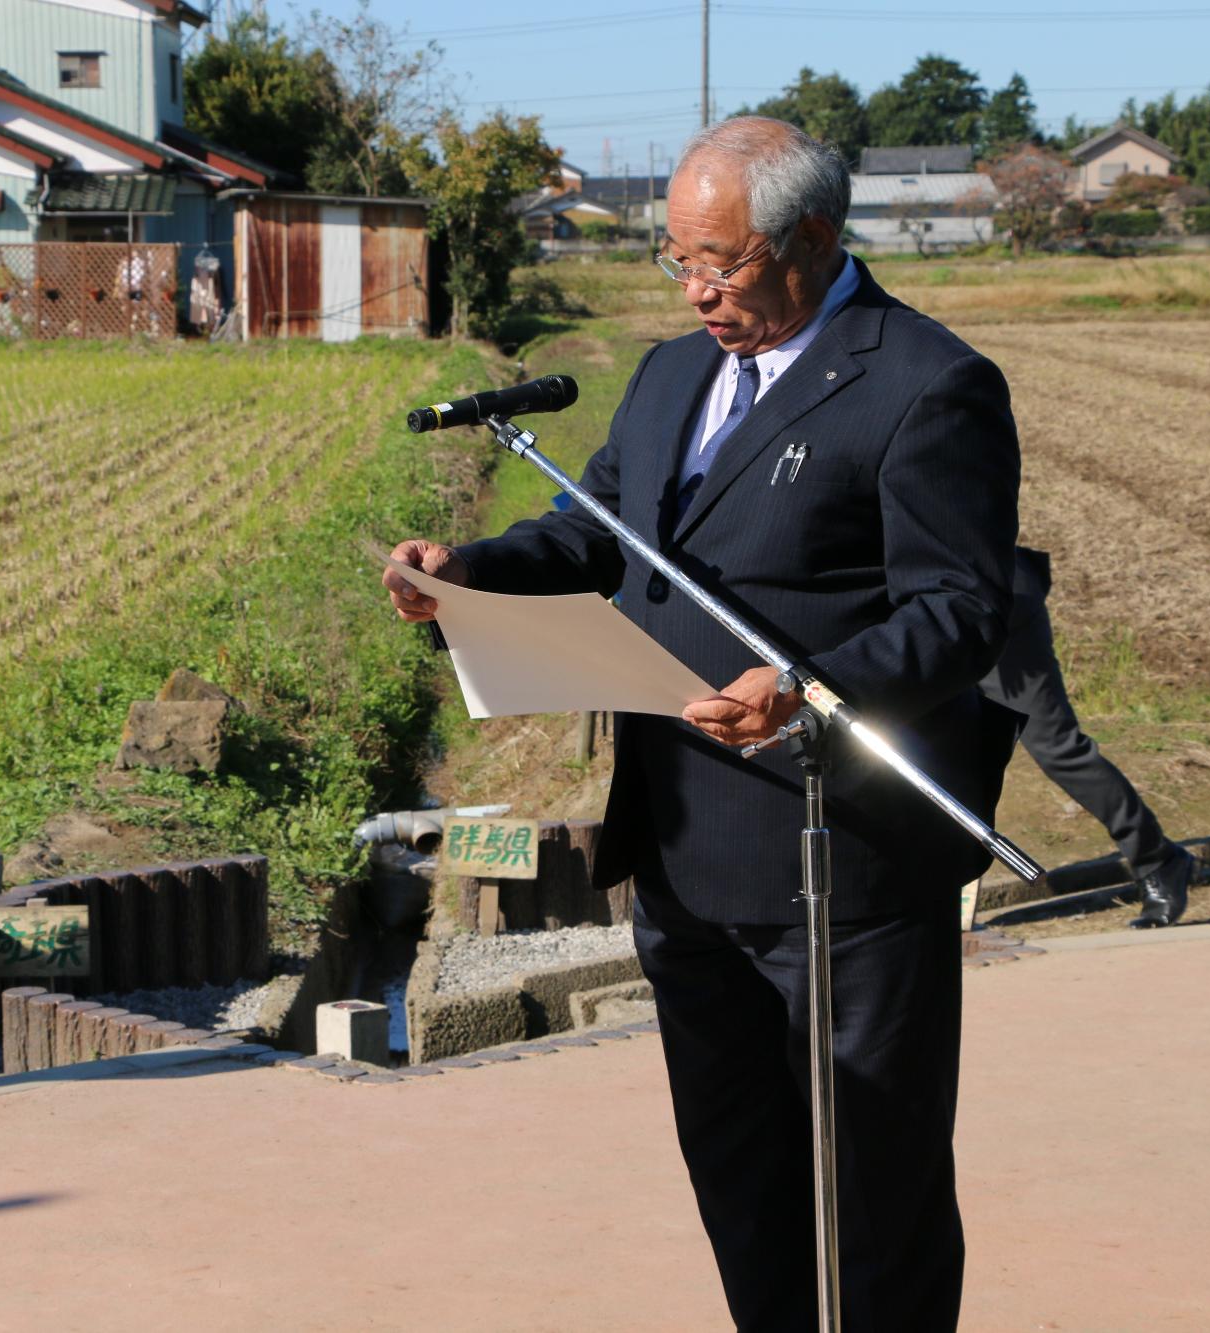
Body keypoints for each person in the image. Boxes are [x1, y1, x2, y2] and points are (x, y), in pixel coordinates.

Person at [383, 117, 1020, 1330]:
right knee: (738, 1175)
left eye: (716, 264)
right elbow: (594, 538)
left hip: (841, 861)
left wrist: (812, 685)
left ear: (811, 240)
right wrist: (467, 571)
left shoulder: (925, 381)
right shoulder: (672, 372)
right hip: (681, 849)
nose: (692, 290)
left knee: (873, 1189)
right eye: (673, 260)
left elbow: (958, 612)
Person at [980, 547, 1195, 926]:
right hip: (906, 609)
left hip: (989, 597)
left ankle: (1157, 858)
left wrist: (988, 602)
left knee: (1057, 747)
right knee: (938, 755)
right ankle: (946, 901)